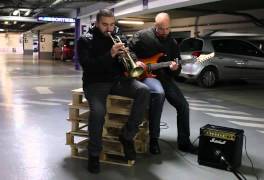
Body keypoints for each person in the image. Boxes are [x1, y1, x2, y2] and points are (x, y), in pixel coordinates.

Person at [77, 9, 149, 174]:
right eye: (105, 25)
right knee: (98, 112)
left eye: (112, 24)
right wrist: (110, 54)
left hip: (117, 80)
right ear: (96, 23)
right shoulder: (85, 40)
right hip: (95, 83)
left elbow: (130, 53)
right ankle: (94, 154)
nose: (109, 29)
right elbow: (89, 67)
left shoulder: (118, 35)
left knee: (143, 91)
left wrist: (135, 61)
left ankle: (127, 135)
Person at [129, 12, 198, 155]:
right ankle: (154, 140)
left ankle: (184, 143)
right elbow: (128, 50)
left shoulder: (172, 43)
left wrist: (175, 68)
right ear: (155, 25)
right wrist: (136, 60)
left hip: (165, 78)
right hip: (147, 76)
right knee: (159, 94)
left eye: (167, 29)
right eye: (161, 28)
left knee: (183, 105)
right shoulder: (142, 36)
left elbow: (177, 70)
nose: (165, 32)